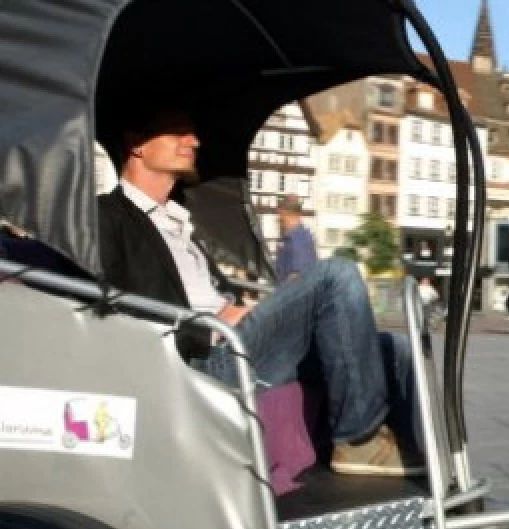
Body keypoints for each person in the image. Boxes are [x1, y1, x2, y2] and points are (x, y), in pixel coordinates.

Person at [97, 105, 424, 477]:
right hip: (201, 359)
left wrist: (253, 307)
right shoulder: (107, 216)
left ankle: (407, 450)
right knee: (337, 275)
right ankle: (358, 442)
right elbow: (115, 305)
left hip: (235, 340)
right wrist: (210, 321)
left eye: (192, 133)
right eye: (177, 131)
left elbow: (218, 295)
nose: (194, 141)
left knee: (391, 348)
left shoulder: (179, 224)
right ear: (136, 144)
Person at [275, 193, 318, 281]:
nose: (277, 220)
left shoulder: (300, 241)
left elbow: (297, 278)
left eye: (279, 215)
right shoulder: (287, 239)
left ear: (283, 213)